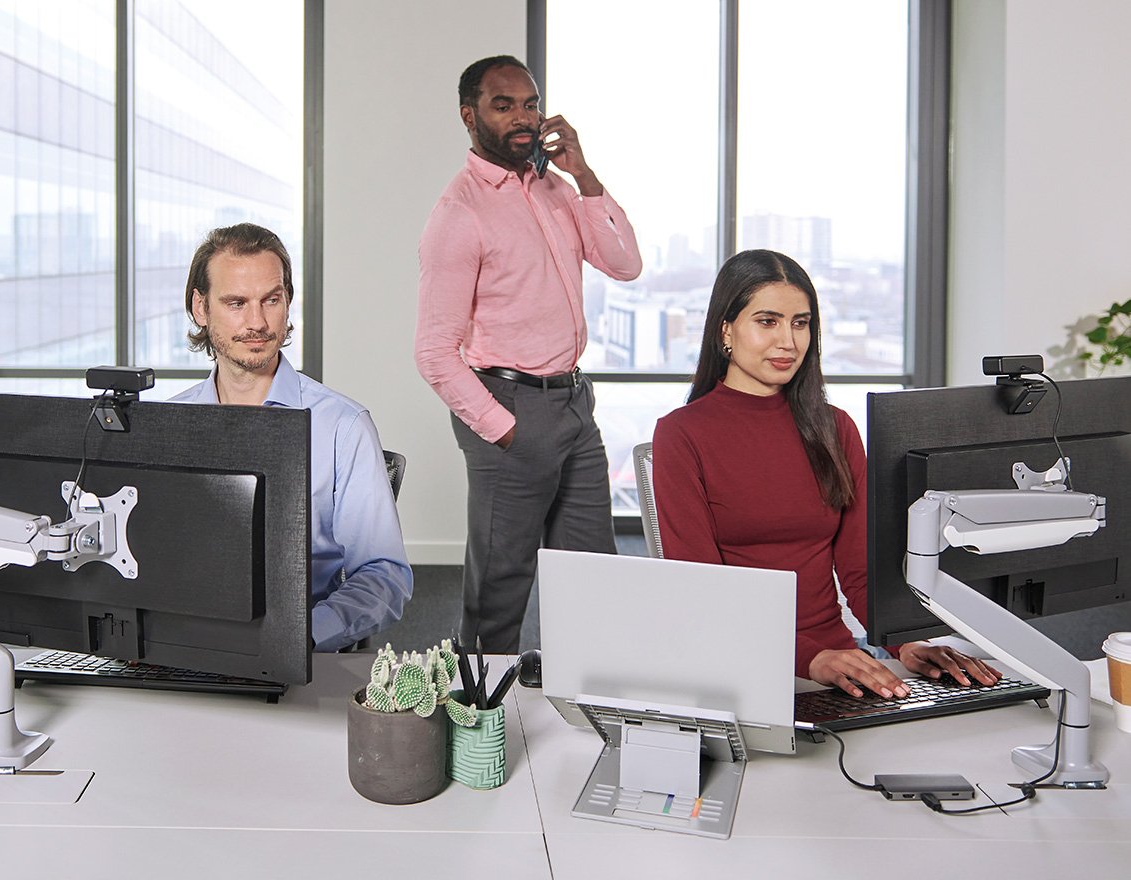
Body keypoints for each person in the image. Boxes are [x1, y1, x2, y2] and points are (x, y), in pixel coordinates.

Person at [652, 249, 998, 699]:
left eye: (801, 323)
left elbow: (860, 571)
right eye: (767, 321)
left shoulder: (835, 428)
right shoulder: (681, 435)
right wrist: (809, 660)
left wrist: (905, 640)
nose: (788, 342)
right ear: (726, 330)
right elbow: (703, 592)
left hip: (839, 666)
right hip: (738, 663)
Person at [416, 55, 642, 653]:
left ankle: (593, 701)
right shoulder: (458, 214)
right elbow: (435, 352)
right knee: (501, 585)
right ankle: (480, 724)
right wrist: (504, 431)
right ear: (469, 116)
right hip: (509, 406)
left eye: (530, 103)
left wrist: (585, 176)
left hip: (572, 404)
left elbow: (625, 264)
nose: (523, 117)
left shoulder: (557, 190)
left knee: (594, 573)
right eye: (503, 105)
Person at [174, 222, 412, 652]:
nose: (258, 322)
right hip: (181, 646)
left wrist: (298, 637)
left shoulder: (342, 426)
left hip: (296, 653)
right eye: (236, 303)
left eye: (272, 300)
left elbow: (384, 575)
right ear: (201, 308)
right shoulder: (165, 425)